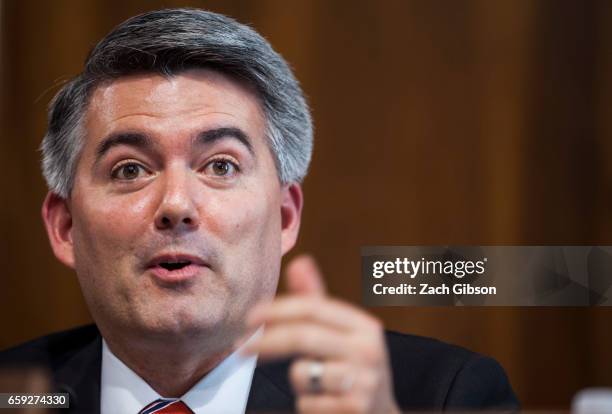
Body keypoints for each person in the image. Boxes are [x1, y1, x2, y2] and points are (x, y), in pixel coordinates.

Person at [0, 8, 519, 414]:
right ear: (65, 226)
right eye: (130, 170)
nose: (176, 205)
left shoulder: (441, 396)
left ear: (286, 216)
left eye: (221, 166)